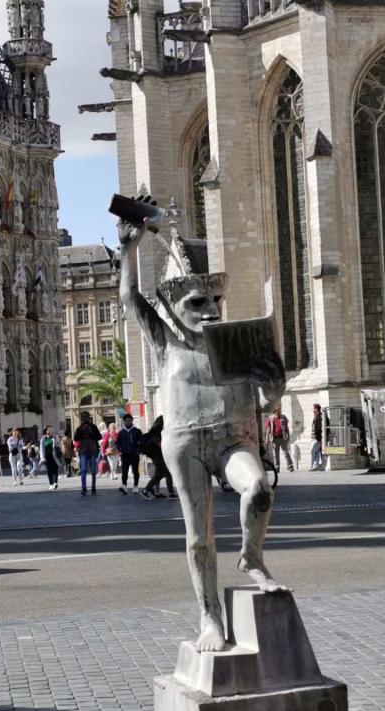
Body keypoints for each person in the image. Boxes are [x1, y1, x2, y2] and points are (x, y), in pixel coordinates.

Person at [118, 219, 287, 652]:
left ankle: (251, 557)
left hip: (232, 438)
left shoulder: (235, 345)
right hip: (185, 442)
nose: (210, 309)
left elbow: (265, 403)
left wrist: (274, 388)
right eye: (197, 302)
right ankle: (210, 618)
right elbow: (130, 298)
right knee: (199, 537)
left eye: (215, 299)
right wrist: (130, 249)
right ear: (175, 308)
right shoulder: (165, 342)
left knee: (259, 488)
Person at [139, 416, 178, 500]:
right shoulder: (158, 433)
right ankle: (171, 493)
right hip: (159, 457)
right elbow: (161, 445)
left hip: (155, 457)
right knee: (168, 474)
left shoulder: (153, 431)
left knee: (158, 475)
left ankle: (147, 490)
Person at [73, 415, 102, 496]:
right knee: (85, 470)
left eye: (86, 418)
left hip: (90, 450)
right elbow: (75, 438)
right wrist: (82, 431)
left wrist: (91, 433)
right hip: (85, 451)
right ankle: (85, 488)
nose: (85, 419)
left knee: (91, 470)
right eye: (84, 418)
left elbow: (99, 437)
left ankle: (91, 488)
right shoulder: (80, 428)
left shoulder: (93, 427)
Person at [116, 413, 142, 495]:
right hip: (125, 455)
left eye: (129, 421)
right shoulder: (121, 433)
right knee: (124, 471)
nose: (128, 422)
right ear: (124, 422)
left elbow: (141, 442)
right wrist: (119, 450)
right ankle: (124, 486)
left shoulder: (137, 431)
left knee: (135, 471)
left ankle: (135, 486)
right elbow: (117, 443)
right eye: (126, 421)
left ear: (132, 421)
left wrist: (138, 451)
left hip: (134, 455)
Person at [265, 404, 294, 473]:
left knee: (286, 452)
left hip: (282, 438)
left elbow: (286, 428)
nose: (279, 412)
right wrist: (266, 439)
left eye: (279, 410)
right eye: (277, 411)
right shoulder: (271, 418)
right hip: (274, 439)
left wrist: (288, 437)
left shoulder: (283, 417)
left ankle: (290, 466)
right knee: (276, 454)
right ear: (274, 411)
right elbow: (268, 429)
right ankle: (277, 467)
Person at [39, 425, 60, 490]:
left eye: (51, 429)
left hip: (55, 456)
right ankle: (51, 484)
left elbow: (58, 445)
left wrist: (56, 442)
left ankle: (55, 483)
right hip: (47, 457)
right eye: (48, 430)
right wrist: (42, 457)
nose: (50, 431)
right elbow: (42, 449)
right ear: (46, 431)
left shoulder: (55, 437)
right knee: (49, 471)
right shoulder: (43, 439)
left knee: (55, 469)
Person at [309, 404, 323, 471]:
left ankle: (315, 465)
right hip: (313, 438)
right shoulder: (315, 417)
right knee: (315, 452)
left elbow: (320, 429)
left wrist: (319, 437)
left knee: (312, 451)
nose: (313, 410)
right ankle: (315, 466)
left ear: (317, 409)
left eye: (314, 409)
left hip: (317, 439)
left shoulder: (320, 417)